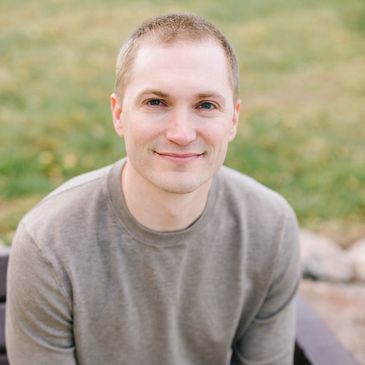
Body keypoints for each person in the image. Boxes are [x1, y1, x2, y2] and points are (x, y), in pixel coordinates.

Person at [6, 12, 301, 365]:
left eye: (206, 105)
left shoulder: (271, 227)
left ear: (233, 119)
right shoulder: (49, 243)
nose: (181, 133)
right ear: (118, 114)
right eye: (156, 102)